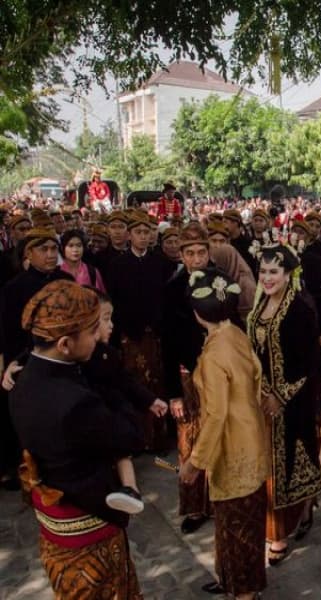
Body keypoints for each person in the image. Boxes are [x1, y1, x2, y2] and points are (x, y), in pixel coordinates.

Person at [9, 280, 145, 598]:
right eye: (92, 331)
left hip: (53, 523)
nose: (98, 337)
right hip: (90, 524)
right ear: (66, 344)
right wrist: (117, 398)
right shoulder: (73, 401)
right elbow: (132, 436)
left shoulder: (23, 379)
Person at [179, 268, 268, 600]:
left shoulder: (215, 354)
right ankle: (231, 579)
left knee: (237, 526)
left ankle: (243, 592)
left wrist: (195, 462)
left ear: (198, 314)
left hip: (232, 449)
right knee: (241, 522)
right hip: (252, 439)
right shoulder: (236, 334)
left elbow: (215, 416)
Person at [247, 243, 321, 565]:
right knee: (267, 468)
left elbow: (309, 361)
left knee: (291, 464)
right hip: (260, 400)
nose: (266, 278)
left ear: (289, 274)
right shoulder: (259, 303)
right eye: (263, 271)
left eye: (273, 272)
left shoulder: (301, 308)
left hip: (293, 401)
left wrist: (281, 396)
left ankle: (284, 528)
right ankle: (281, 523)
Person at [0, 228, 72, 490]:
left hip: (67, 359)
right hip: (30, 362)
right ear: (29, 253)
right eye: (44, 250)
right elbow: (10, 333)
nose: (51, 255)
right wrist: (13, 365)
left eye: (54, 249)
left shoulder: (66, 280)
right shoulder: (15, 288)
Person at [106, 210, 174, 451]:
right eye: (138, 232)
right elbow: (113, 301)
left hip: (156, 333)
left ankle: (158, 438)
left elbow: (166, 298)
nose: (143, 237)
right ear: (129, 235)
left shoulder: (160, 262)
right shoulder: (117, 265)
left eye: (147, 232)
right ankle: (136, 439)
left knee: (158, 381)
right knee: (135, 383)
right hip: (130, 335)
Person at [162, 224, 214, 534]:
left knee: (221, 437)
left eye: (201, 252)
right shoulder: (171, 290)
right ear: (181, 256)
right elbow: (167, 345)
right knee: (191, 441)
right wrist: (174, 395)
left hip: (219, 373)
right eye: (190, 253)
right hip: (188, 376)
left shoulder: (223, 282)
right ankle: (195, 506)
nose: (196, 259)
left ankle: (220, 499)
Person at [211, 244, 257, 321]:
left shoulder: (246, 284)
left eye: (218, 263)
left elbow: (250, 317)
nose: (216, 267)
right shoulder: (224, 279)